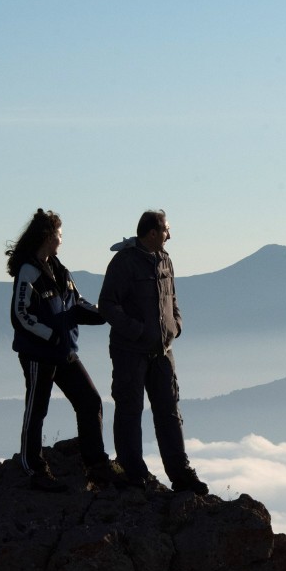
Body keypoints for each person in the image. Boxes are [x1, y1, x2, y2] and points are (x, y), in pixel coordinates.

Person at [98, 209, 209, 495]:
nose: (169, 235)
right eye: (166, 230)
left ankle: (181, 475)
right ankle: (134, 473)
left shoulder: (165, 260)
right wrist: (136, 331)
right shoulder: (124, 262)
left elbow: (172, 297)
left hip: (162, 352)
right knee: (129, 410)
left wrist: (176, 325)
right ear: (152, 233)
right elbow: (107, 304)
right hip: (130, 352)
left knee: (169, 411)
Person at [6, 208, 114, 491]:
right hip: (39, 355)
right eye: (60, 235)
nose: (62, 240)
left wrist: (105, 313)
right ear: (48, 236)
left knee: (90, 402)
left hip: (64, 352)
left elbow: (76, 303)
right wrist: (50, 335)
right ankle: (33, 468)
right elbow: (20, 315)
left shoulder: (60, 269)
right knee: (37, 409)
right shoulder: (28, 272)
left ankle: (96, 466)